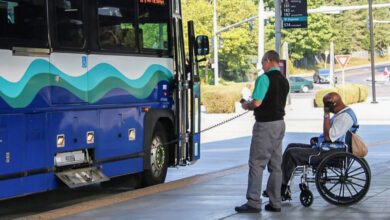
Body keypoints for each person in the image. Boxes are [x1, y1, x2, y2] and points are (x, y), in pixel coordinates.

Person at [235, 50, 289, 213]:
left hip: (265, 125)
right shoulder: (284, 80)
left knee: (257, 164)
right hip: (280, 124)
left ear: (268, 60)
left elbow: (257, 103)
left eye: (262, 62)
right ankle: (275, 202)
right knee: (275, 165)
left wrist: (246, 105)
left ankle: (253, 201)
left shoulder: (264, 78)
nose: (261, 65)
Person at [280, 92, 357, 197]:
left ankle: (281, 188)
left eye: (326, 104)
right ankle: (282, 184)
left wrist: (326, 115)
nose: (325, 107)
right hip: (328, 147)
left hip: (330, 152)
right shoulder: (342, 114)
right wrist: (318, 139)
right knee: (291, 146)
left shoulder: (344, 117)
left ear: (333, 104)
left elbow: (328, 137)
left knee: (291, 153)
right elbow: (331, 135)